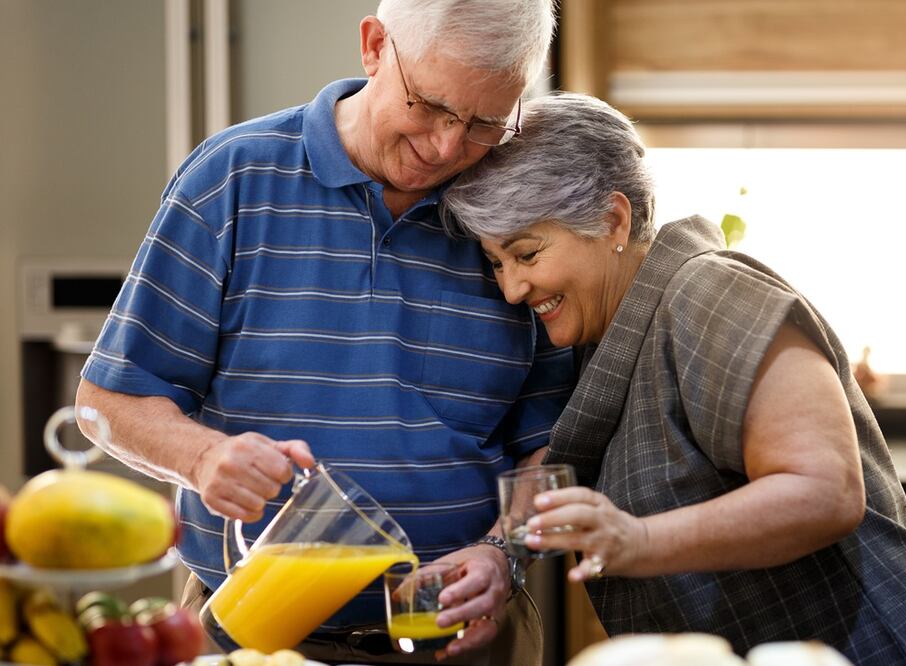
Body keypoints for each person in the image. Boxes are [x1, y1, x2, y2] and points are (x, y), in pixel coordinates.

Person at [74, 2, 573, 664]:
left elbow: (556, 450)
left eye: (484, 123)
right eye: (428, 106)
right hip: (251, 634)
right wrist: (200, 457)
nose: (448, 147)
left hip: (461, 640)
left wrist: (504, 553)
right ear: (373, 47)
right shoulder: (232, 178)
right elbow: (106, 402)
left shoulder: (516, 218)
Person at [440, 93, 906, 664]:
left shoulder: (710, 292)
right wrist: (497, 552)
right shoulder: (607, 340)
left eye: (528, 253)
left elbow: (827, 491)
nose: (513, 289)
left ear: (614, 219)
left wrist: (635, 541)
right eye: (497, 262)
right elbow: (565, 461)